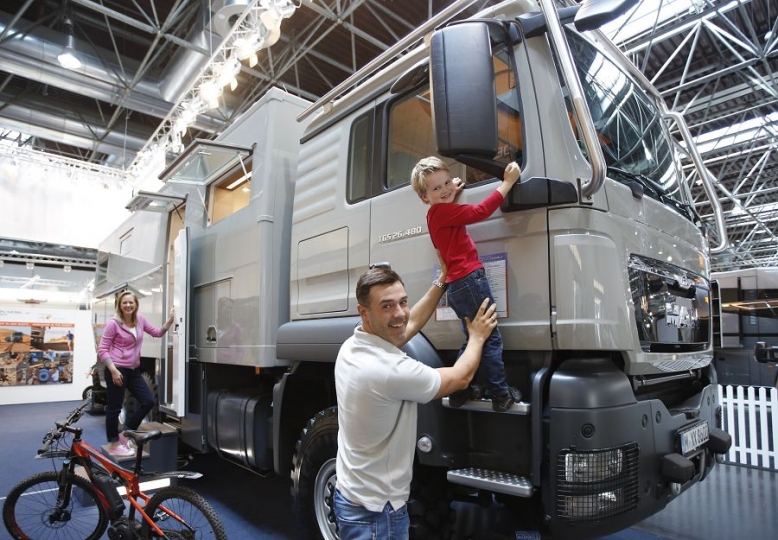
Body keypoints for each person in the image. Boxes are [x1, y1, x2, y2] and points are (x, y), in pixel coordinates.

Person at [334, 264, 498, 540]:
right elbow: (460, 378)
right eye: (387, 306)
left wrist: (441, 281)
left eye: (403, 302)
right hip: (377, 515)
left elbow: (406, 326)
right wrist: (477, 337)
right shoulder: (388, 370)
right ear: (364, 312)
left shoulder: (354, 346)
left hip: (353, 497)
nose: (399, 313)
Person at [411, 156, 522, 412]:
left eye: (447, 182)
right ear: (425, 196)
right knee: (490, 337)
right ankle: (500, 394)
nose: (445, 189)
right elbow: (479, 211)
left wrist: (451, 194)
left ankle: (459, 391)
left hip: (457, 285)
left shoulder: (434, 215)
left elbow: (445, 230)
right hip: (470, 280)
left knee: (473, 337)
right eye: (436, 188)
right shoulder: (443, 212)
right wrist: (507, 182)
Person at [98, 290, 174, 457]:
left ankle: (126, 433)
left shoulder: (140, 320)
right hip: (116, 369)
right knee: (114, 408)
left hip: (133, 370)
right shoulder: (113, 324)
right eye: (124, 302)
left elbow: (157, 333)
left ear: (136, 304)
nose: (128, 305)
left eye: (131, 302)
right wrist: (113, 370)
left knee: (148, 401)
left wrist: (170, 321)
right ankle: (114, 443)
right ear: (120, 305)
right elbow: (102, 350)